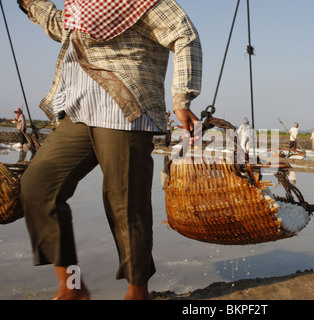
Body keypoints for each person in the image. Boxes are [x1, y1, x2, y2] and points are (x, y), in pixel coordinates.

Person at [17, 0, 202, 300]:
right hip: (77, 108)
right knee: (37, 187)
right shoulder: (82, 6)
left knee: (126, 205)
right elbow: (57, 23)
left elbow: (184, 34)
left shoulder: (145, 3)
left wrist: (182, 97)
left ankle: (137, 291)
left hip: (124, 108)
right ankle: (72, 286)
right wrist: (28, 4)